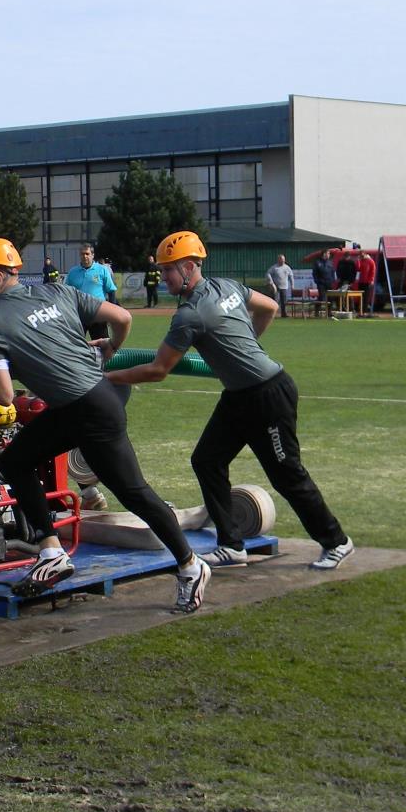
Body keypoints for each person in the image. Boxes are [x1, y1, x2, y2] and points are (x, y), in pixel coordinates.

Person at [0, 237, 211, 613]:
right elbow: (123, 318)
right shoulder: (58, 292)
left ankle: (191, 566)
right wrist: (111, 347)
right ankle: (51, 552)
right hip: (90, 400)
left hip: (89, 411)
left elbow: (2, 396)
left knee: (135, 493)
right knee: (15, 460)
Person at [107, 232, 355, 571]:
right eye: (162, 270)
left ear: (190, 267)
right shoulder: (226, 286)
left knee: (287, 476)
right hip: (240, 396)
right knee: (207, 460)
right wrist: (247, 343)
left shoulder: (190, 314)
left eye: (169, 270)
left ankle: (336, 541)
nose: (163, 277)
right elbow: (270, 306)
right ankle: (231, 545)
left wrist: (108, 377)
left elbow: (158, 369)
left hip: (268, 395)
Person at [64, 243, 115, 339]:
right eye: (82, 254)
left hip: (98, 314)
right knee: (75, 344)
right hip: (79, 315)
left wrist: (112, 312)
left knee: (102, 346)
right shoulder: (72, 272)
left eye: (87, 254)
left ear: (92, 255)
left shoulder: (102, 270)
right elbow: (66, 293)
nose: (85, 256)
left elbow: (111, 291)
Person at [356, 249, 378, 314]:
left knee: (366, 297)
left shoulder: (371, 261)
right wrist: (358, 261)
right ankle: (360, 311)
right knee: (360, 297)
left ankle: (364, 311)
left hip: (367, 282)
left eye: (362, 255)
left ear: (365, 254)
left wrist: (371, 280)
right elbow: (358, 269)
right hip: (361, 281)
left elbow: (373, 271)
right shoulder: (361, 261)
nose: (361, 256)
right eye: (360, 255)